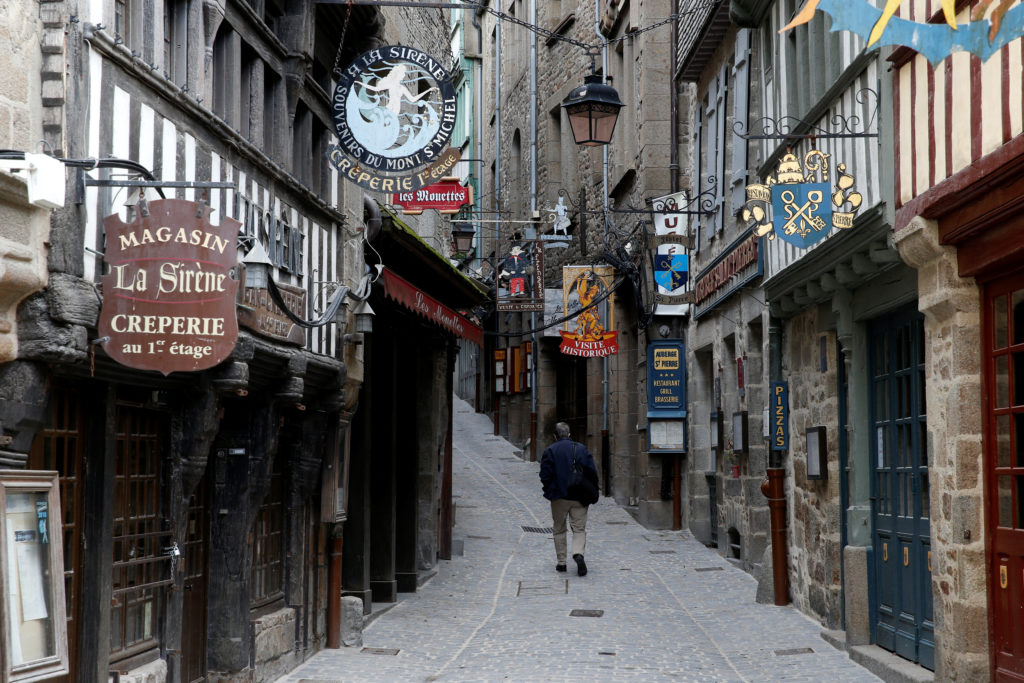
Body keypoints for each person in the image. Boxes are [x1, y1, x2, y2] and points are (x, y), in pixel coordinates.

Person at [539, 422, 599, 576]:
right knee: (579, 529)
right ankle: (578, 553)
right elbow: (592, 472)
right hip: (579, 496)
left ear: (555, 436)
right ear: (570, 434)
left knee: (559, 529)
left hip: (559, 496)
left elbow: (544, 475)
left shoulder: (550, 450)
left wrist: (550, 489)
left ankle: (561, 563)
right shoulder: (581, 449)